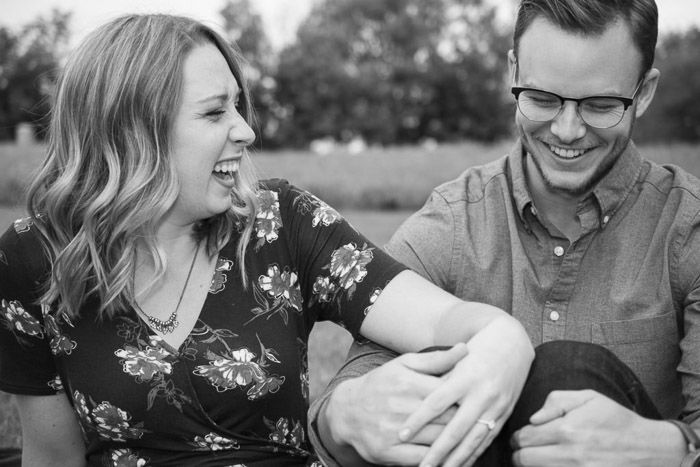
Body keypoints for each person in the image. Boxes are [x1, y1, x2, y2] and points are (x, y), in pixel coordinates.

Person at [0, 13, 535, 467]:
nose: (245, 130)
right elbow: (52, 457)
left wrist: (502, 342)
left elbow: (445, 321)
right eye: (214, 112)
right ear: (132, 133)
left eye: (237, 105)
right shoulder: (34, 259)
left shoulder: (281, 224)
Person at [309, 0, 700, 466]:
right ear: (513, 70)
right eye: (542, 99)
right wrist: (342, 417)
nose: (567, 130)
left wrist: (671, 448)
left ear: (645, 91)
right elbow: (355, 401)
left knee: (566, 374)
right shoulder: (449, 226)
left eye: (600, 105)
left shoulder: (687, 229)